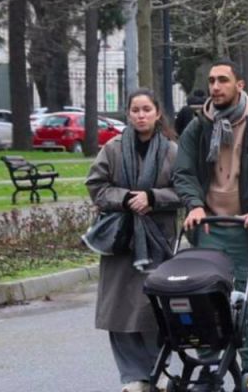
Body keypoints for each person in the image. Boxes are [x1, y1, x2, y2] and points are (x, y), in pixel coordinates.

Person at [175, 59, 248, 392]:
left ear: (239, 85)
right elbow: (183, 173)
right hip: (208, 227)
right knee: (204, 301)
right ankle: (209, 365)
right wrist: (194, 204)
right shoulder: (199, 127)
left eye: (223, 80)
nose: (215, 87)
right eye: (212, 81)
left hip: (247, 229)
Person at [85, 89, 180, 392]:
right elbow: (97, 186)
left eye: (146, 109)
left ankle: (159, 370)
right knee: (119, 311)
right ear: (127, 114)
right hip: (120, 241)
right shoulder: (111, 149)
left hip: (157, 240)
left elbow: (186, 190)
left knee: (154, 309)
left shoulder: (171, 151)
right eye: (135, 110)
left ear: (157, 113)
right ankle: (133, 377)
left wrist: (153, 198)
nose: (140, 115)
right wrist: (126, 198)